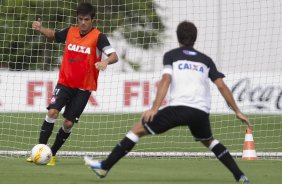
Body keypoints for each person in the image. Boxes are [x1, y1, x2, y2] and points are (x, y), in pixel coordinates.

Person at [84, 21, 251, 183]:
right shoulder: (206, 60)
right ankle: (240, 176)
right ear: (195, 38)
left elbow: (165, 80)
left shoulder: (171, 55)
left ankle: (104, 167)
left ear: (178, 38)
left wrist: (154, 108)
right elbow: (221, 85)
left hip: (178, 108)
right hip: (200, 112)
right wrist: (237, 111)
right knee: (209, 140)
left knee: (137, 129)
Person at [27, 2, 118, 166]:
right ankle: (39, 149)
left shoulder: (98, 37)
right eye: (80, 19)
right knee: (53, 112)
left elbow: (114, 56)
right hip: (65, 83)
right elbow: (54, 35)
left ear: (92, 20)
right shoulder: (71, 31)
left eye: (86, 19)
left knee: (68, 123)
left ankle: (51, 154)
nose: (83, 22)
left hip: (83, 88)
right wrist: (41, 29)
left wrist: (105, 61)